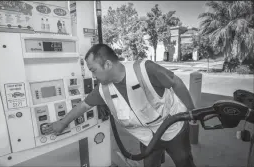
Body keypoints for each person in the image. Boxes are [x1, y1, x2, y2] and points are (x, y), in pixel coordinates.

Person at [45, 44, 196, 167]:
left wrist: (191, 111)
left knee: (184, 162)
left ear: (108, 64)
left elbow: (176, 82)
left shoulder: (145, 69)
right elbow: (84, 105)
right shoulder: (103, 90)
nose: (93, 75)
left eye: (93, 70)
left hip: (173, 129)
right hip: (147, 138)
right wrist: (62, 123)